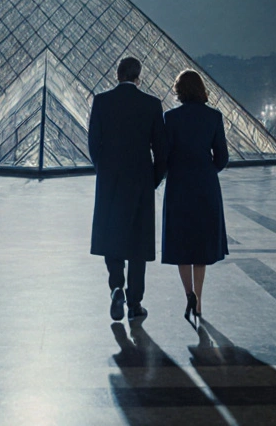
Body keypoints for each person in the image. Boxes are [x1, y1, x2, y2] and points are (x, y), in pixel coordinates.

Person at [88, 57, 168, 322]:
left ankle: (116, 288)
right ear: (138, 77)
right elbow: (161, 151)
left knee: (112, 238)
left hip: (110, 182)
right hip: (140, 182)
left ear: (117, 75)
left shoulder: (101, 101)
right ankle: (135, 302)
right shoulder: (152, 104)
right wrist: (153, 179)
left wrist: (105, 172)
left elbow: (93, 145)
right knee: (137, 244)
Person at [160, 70, 229, 324]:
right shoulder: (214, 117)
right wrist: (207, 169)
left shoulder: (171, 118)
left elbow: (164, 157)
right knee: (201, 247)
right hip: (205, 187)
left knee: (181, 245)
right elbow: (222, 157)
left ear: (179, 91)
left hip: (179, 186)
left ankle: (187, 293)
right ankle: (198, 301)